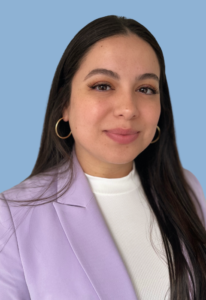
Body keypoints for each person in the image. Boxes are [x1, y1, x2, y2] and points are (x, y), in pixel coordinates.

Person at [0, 15, 206, 300]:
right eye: (103, 85)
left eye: (145, 89)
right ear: (65, 105)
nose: (128, 109)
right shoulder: (11, 216)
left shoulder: (187, 188)